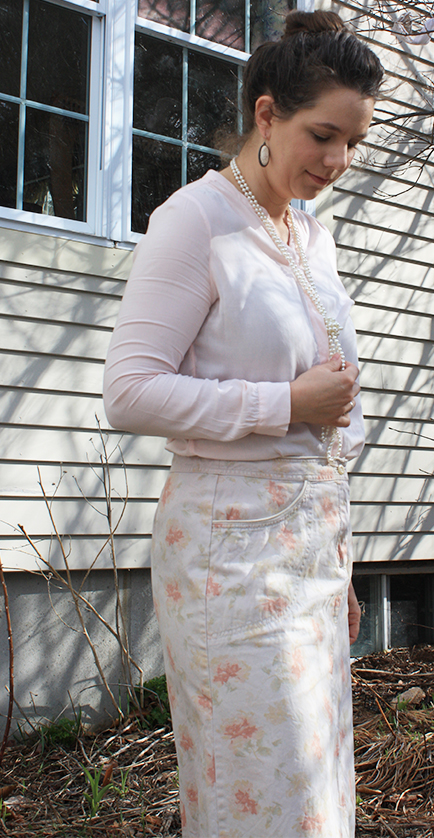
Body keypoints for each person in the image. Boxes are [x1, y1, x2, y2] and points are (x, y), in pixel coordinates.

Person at [103, 10, 383, 837]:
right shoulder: (194, 223)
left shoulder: (313, 238)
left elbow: (327, 427)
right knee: (266, 792)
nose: (336, 162)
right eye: (322, 135)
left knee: (316, 790)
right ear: (266, 113)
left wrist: (343, 564)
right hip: (230, 559)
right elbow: (129, 393)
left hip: (312, 552)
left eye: (352, 145)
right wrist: (283, 405)